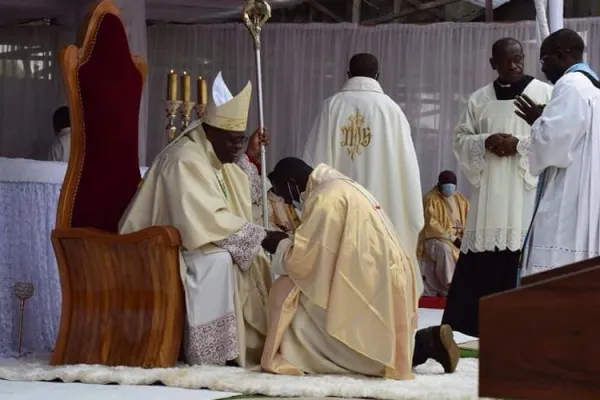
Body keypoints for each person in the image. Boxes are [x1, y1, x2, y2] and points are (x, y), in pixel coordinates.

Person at [119, 72, 272, 368]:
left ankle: (248, 346)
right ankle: (211, 354)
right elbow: (204, 217)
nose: (235, 148)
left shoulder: (212, 152)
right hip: (152, 247)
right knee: (218, 261)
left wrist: (250, 154)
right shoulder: (185, 159)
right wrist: (261, 236)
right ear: (210, 130)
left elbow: (236, 187)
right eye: (232, 141)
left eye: (240, 142)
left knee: (249, 259)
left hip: (186, 240)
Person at [260, 158, 459, 379]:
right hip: (383, 275)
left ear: (291, 183)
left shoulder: (325, 198)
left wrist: (279, 244)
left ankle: (420, 347)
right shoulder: (339, 185)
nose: (289, 202)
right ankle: (420, 344)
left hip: (372, 279)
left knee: (293, 305)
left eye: (285, 195)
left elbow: (304, 263)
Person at [442, 38, 553, 337]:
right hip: (490, 191)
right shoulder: (479, 99)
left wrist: (518, 146)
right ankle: (474, 326)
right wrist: (485, 141)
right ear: (493, 63)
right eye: (507, 60)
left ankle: (523, 328)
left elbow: (555, 140)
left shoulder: (544, 93)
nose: (515, 64)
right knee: (485, 252)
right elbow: (460, 139)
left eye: (519, 58)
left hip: (525, 190)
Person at [302, 53, 423, 281]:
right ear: (378, 76)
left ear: (348, 74)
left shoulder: (331, 107)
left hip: (340, 210)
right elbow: (407, 169)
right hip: (384, 210)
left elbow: (313, 164)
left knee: (340, 276)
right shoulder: (392, 111)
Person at [514, 29, 600, 275]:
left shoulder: (570, 85)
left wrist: (537, 122)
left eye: (545, 60)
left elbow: (552, 145)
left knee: (553, 267)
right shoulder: (593, 86)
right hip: (588, 189)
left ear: (560, 56)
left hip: (569, 193)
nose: (543, 68)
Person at [417, 170, 469, 297]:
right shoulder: (430, 199)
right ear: (439, 185)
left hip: (458, 240)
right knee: (444, 249)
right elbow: (431, 223)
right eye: (446, 187)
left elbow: (469, 220)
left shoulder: (460, 200)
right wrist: (451, 237)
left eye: (452, 187)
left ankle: (465, 285)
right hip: (435, 238)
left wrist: (465, 238)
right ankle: (449, 286)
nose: (449, 190)